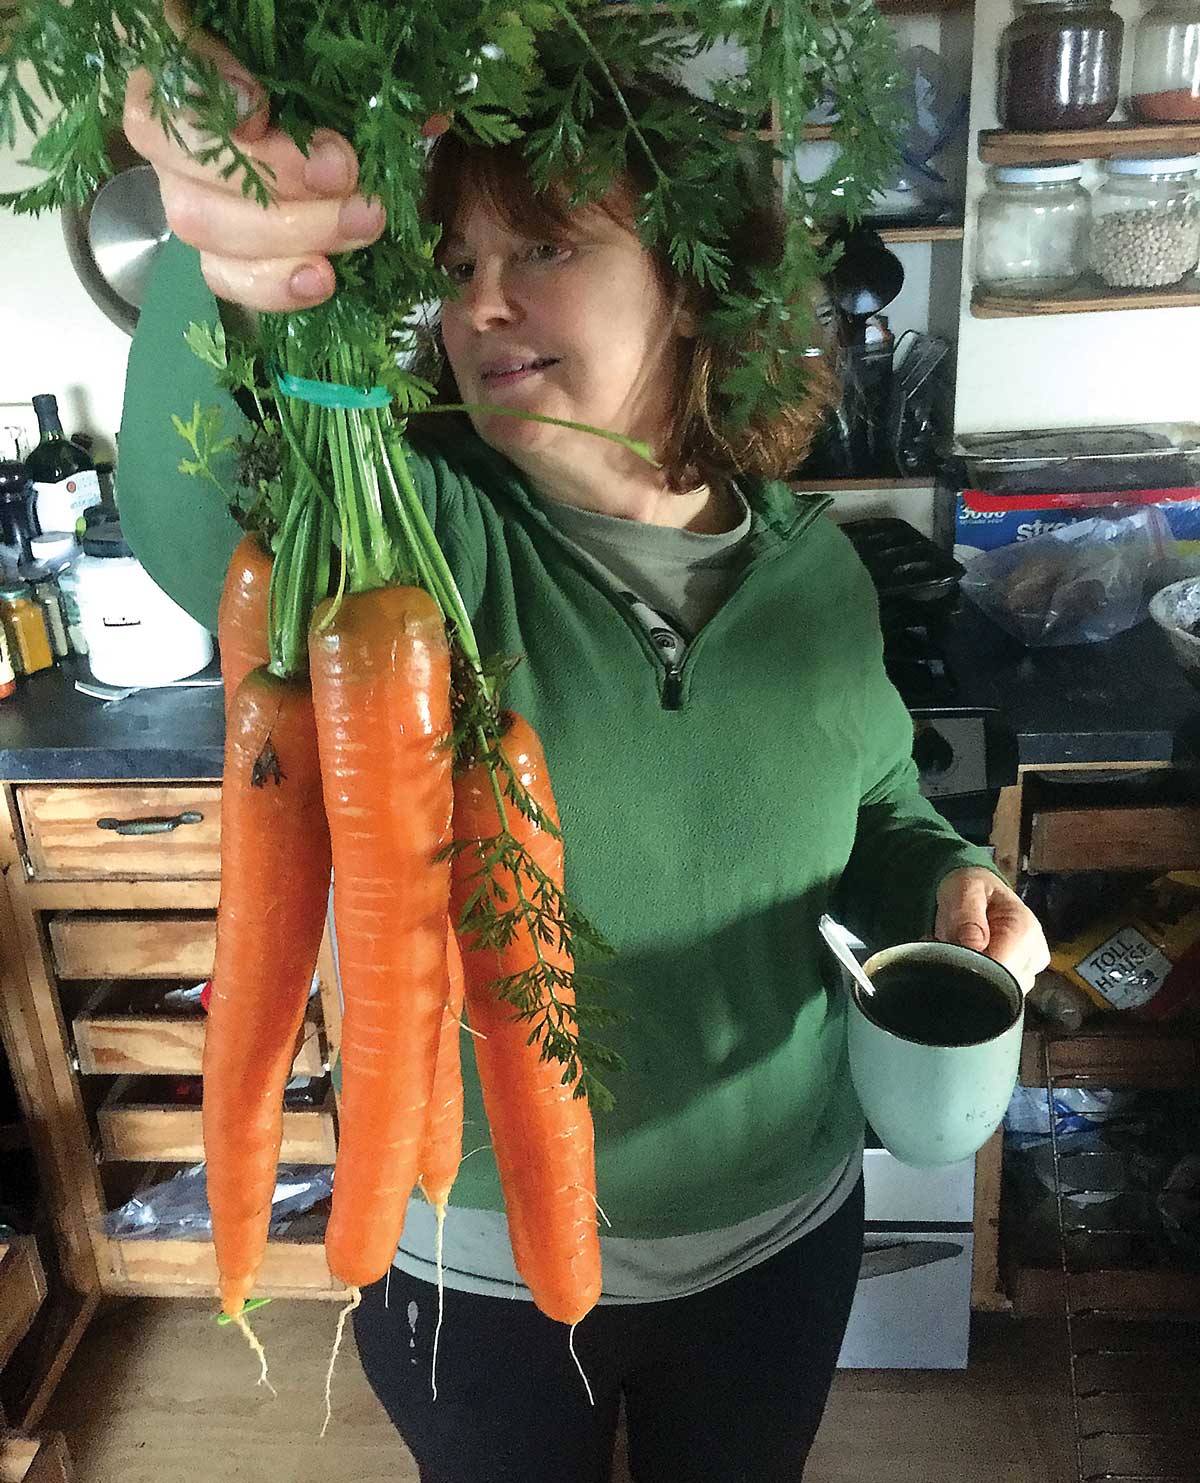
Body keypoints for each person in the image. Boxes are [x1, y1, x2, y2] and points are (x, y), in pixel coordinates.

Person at [119, 29, 1050, 1483]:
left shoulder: (814, 567)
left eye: (543, 246)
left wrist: (949, 880)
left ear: (688, 285)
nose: (482, 299)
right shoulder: (413, 553)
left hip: (780, 1238)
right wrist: (222, 240)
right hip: (474, 1262)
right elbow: (189, 519)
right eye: (459, 260)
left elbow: (872, 806)